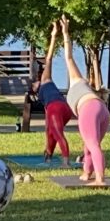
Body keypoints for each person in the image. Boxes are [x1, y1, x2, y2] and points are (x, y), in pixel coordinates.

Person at [59, 17, 109, 185]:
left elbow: (69, 57)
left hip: (89, 109)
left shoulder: (77, 80)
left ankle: (100, 179)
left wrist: (65, 33)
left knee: (92, 144)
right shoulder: (91, 91)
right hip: (102, 110)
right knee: (89, 145)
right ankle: (87, 173)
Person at [36, 20, 74, 166]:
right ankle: (49, 157)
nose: (35, 81)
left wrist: (53, 36)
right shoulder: (43, 90)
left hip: (57, 107)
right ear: (35, 88)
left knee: (57, 133)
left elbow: (49, 58)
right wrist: (47, 146)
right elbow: (47, 127)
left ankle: (65, 161)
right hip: (64, 109)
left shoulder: (45, 80)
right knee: (52, 132)